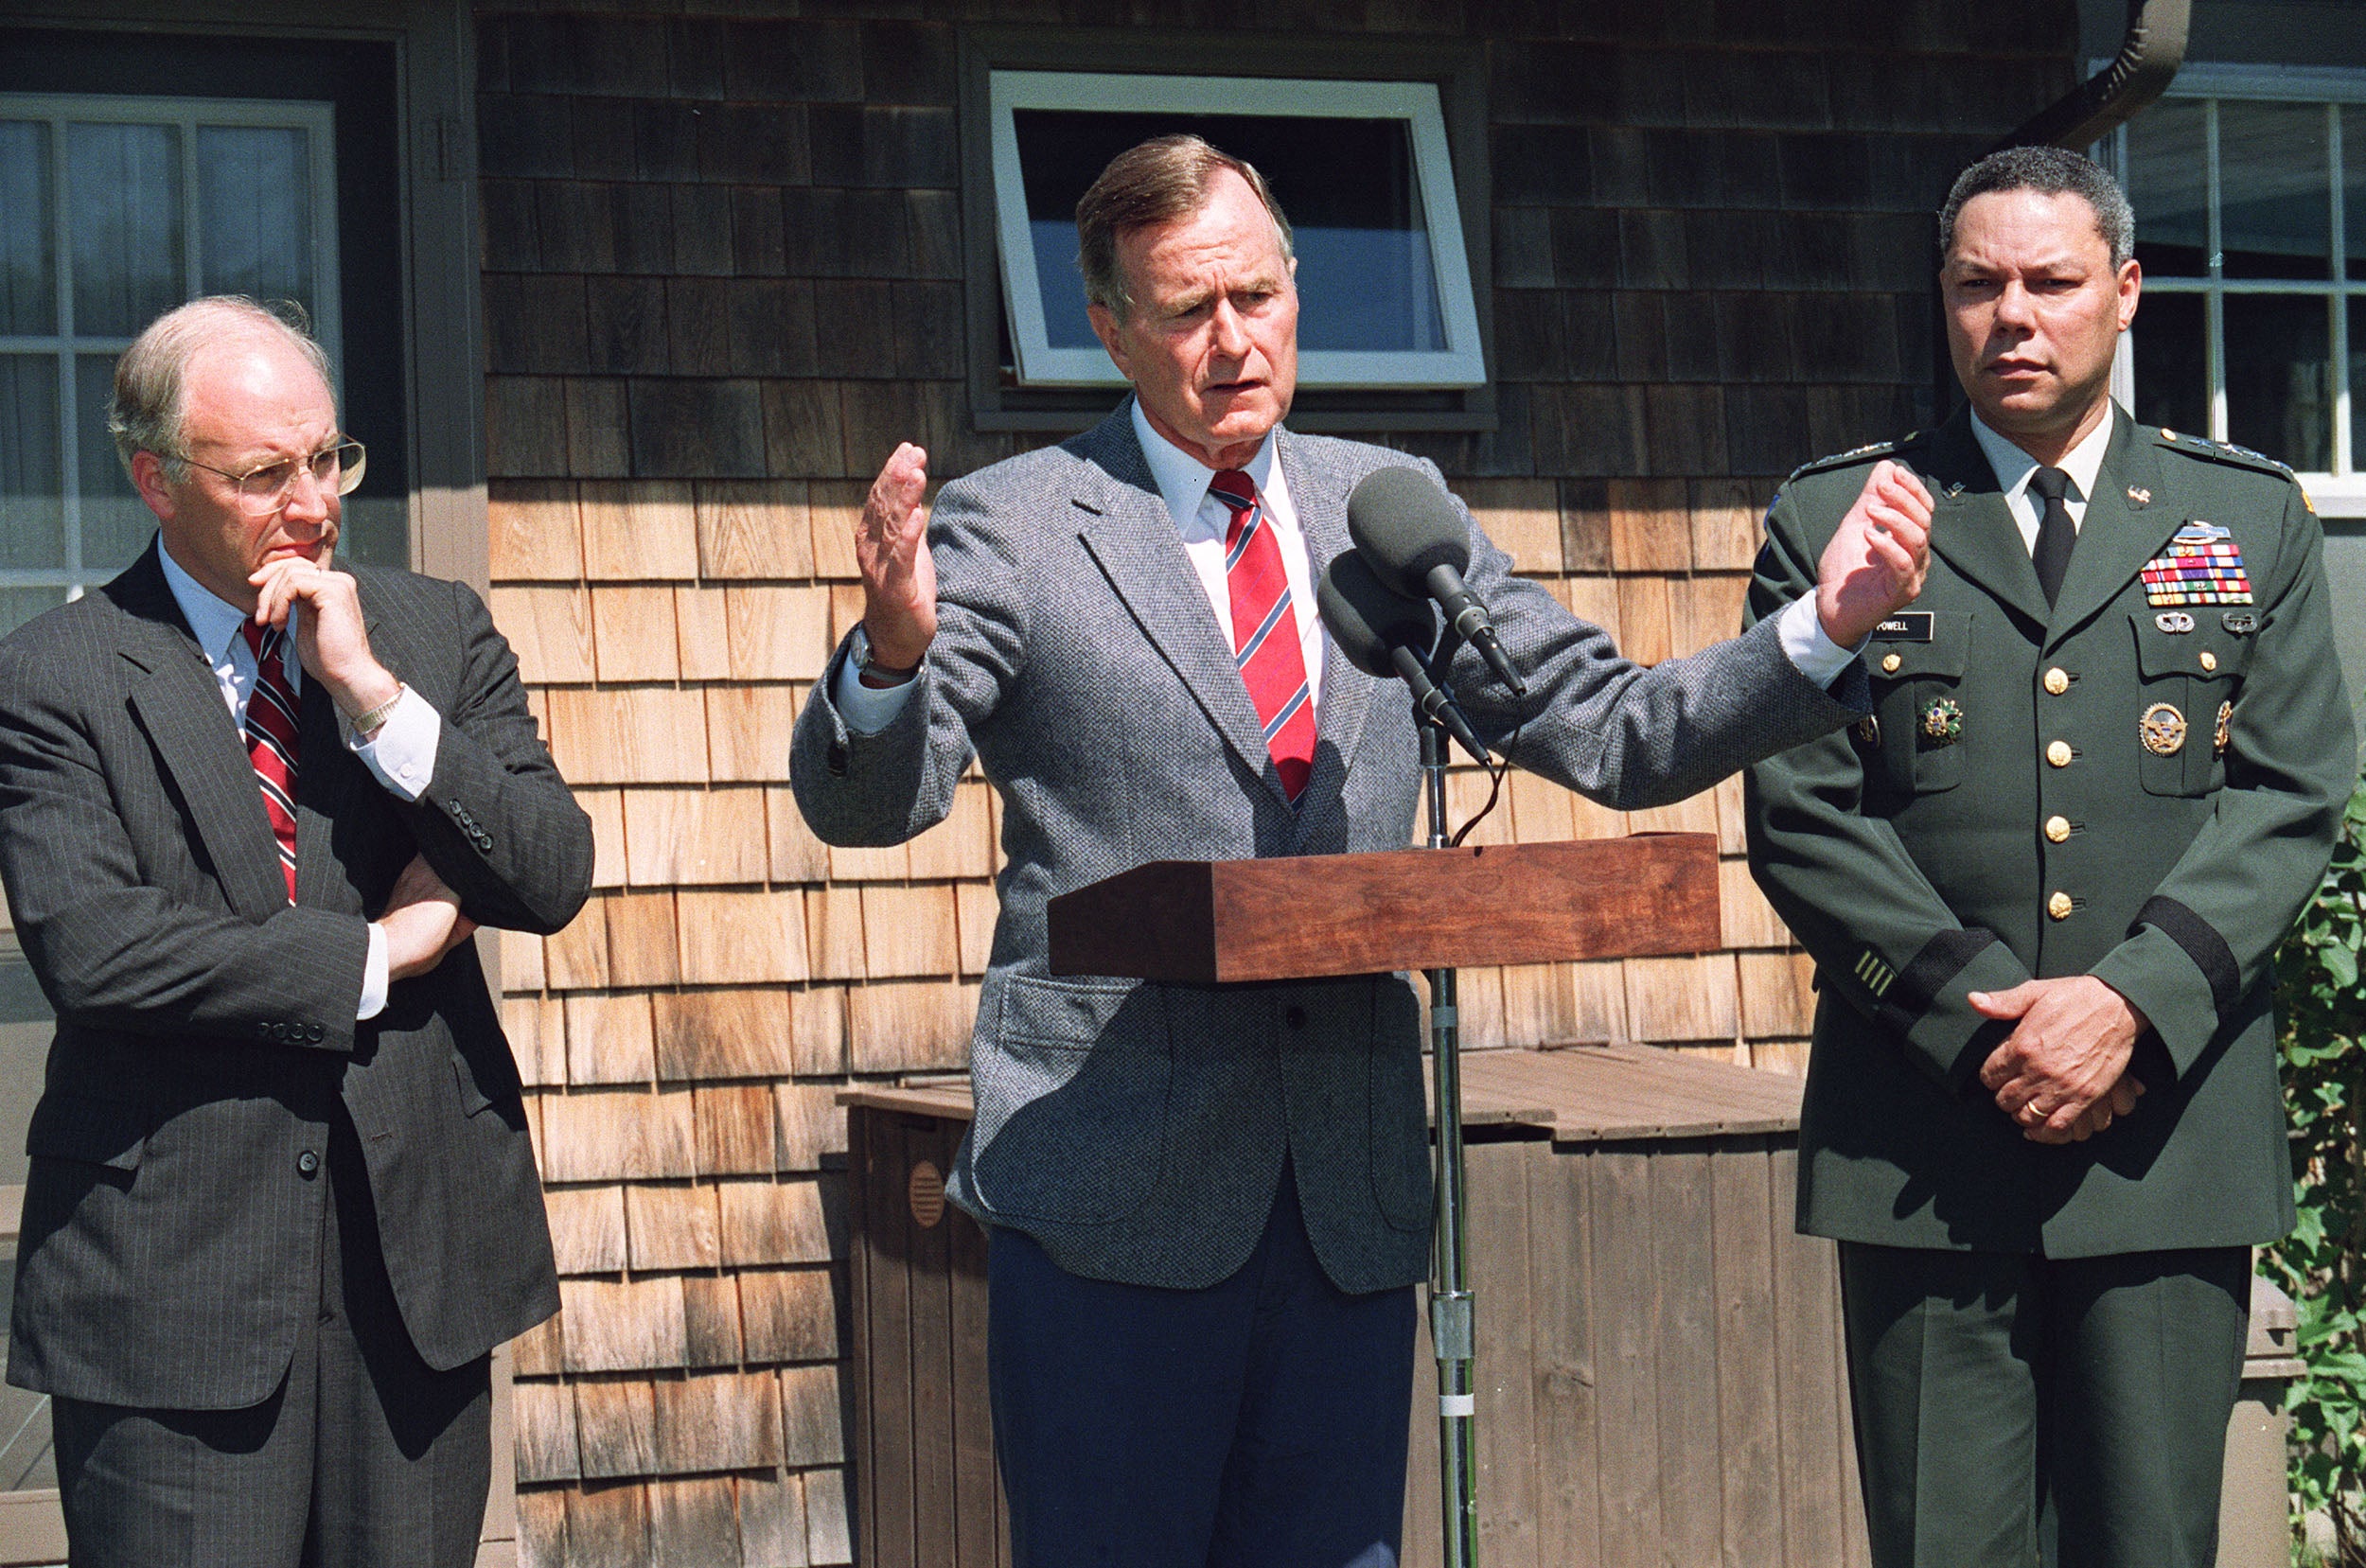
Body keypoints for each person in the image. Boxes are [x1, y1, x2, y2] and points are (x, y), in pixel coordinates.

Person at [792, 133, 1931, 1567]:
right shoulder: (1018, 525)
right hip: (1106, 1205)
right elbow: (864, 805)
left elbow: (1616, 731)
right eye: (1189, 311)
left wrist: (1821, 626)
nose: (1232, 342)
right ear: (1109, 329)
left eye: (1258, 298)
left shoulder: (1388, 514)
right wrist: (891, 653)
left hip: (1343, 1204)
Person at [1742, 146, 2355, 1568]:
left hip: (2166, 1140)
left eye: (2052, 281)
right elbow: (1801, 808)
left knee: (2151, 1542)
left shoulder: (2242, 516)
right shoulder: (1841, 522)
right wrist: (1987, 1027)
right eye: (1977, 284)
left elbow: (2291, 789)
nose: (2013, 315)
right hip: (1928, 1140)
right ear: (1943, 299)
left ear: (2126, 292)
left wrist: (2128, 1002)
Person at [0, 296, 592, 1565]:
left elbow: (548, 871)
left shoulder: (434, 630)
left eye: (329, 458)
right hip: (173, 1286)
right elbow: (101, 946)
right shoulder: (57, 673)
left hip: (416, 1274)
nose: (313, 503)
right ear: (156, 480)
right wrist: (381, 954)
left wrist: (374, 698)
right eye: (266, 473)